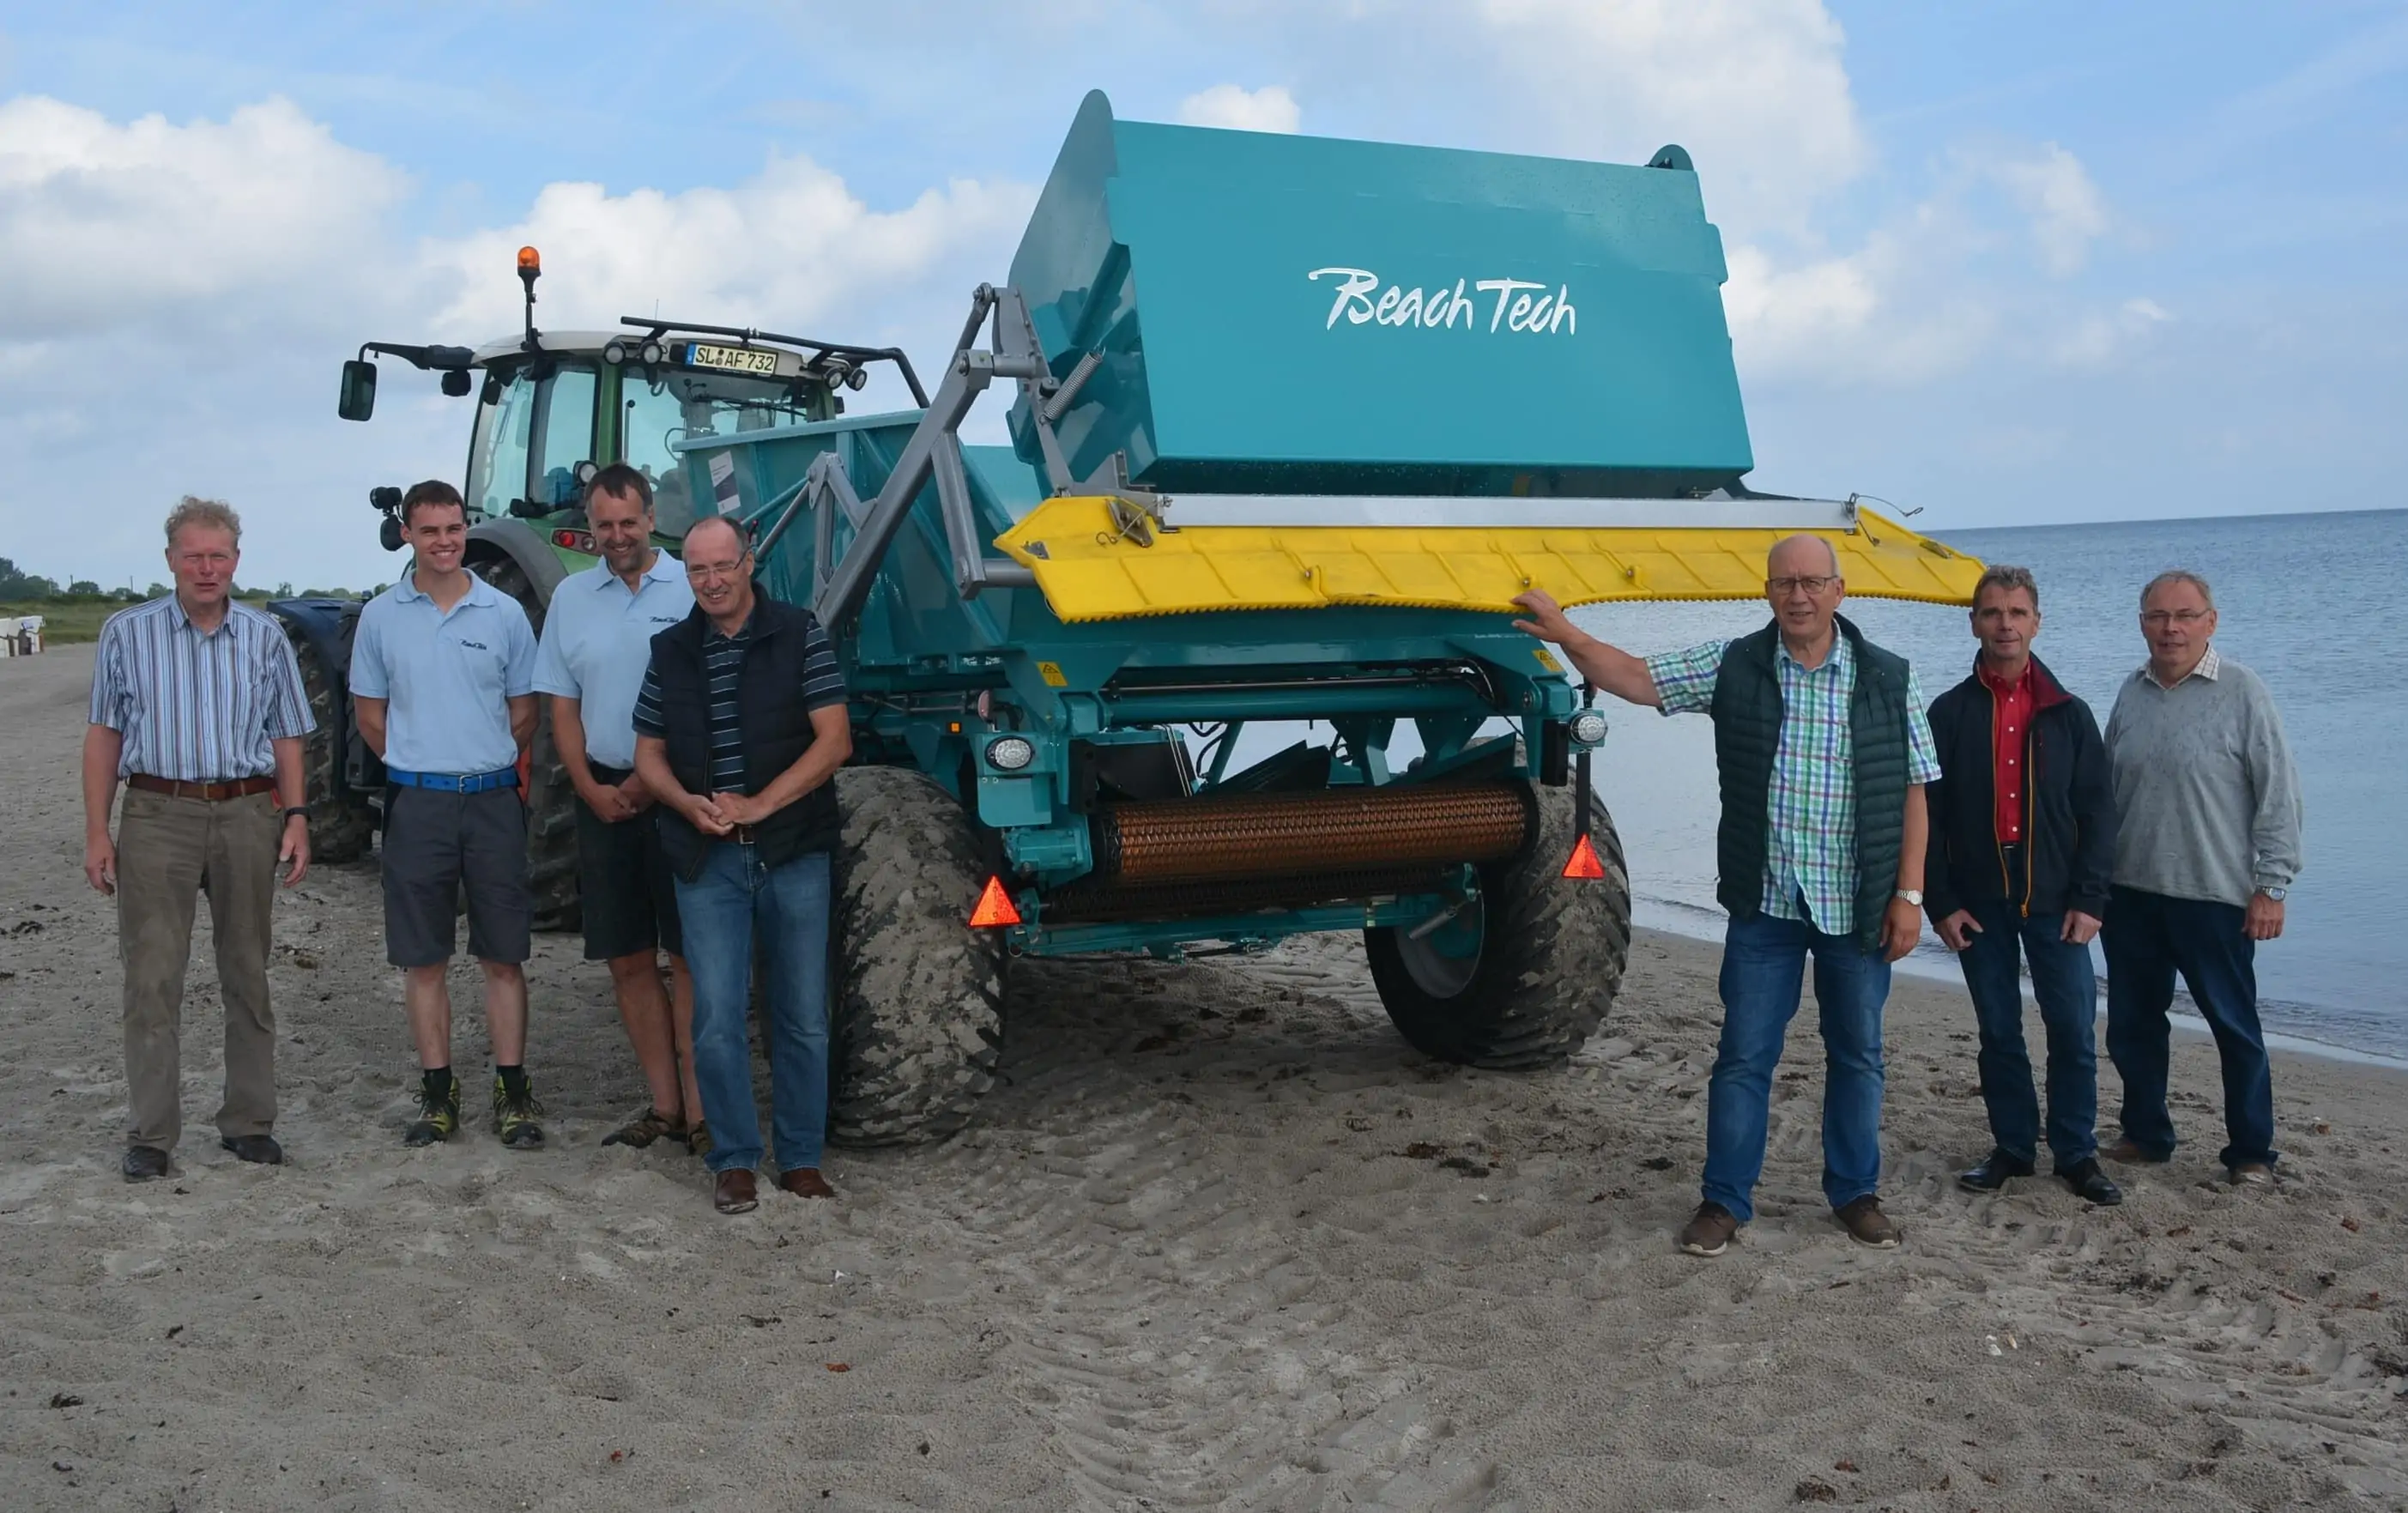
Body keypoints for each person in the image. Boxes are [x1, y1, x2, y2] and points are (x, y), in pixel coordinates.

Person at [1512, 535, 1937, 1256]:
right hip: (1764, 902)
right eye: (1783, 583)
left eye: (1811, 582)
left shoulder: (1888, 677)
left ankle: (1856, 1194)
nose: (1797, 596)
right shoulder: (1733, 664)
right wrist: (1568, 635)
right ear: (1767, 592)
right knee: (1743, 1056)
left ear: (1839, 590)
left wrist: (1910, 894)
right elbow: (1639, 678)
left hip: (1857, 904)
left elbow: (1914, 788)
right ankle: (1724, 1201)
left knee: (1859, 1054)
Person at [82, 498, 315, 1181]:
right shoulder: (127, 633)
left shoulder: (266, 636)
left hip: (248, 813)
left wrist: (296, 815)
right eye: (194, 555)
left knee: (248, 971)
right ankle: (152, 1134)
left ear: (237, 560)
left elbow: (287, 734)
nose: (207, 568)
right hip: (159, 813)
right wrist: (98, 829)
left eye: (219, 555)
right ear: (170, 560)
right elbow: (103, 736)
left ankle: (249, 1122)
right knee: (152, 977)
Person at [633, 515, 851, 1215]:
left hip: (793, 851)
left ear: (748, 561)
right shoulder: (669, 650)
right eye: (698, 570)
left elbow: (835, 741)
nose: (712, 581)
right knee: (718, 1018)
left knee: (803, 1016)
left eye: (723, 565)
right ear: (685, 574)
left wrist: (761, 804)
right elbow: (648, 754)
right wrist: (687, 803)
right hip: (707, 859)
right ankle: (732, 1160)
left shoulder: (798, 632)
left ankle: (801, 1159)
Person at [349, 480, 545, 1149]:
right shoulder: (381, 617)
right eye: (430, 530)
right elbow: (370, 719)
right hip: (417, 802)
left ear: (468, 528)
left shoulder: (504, 613)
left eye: (455, 528)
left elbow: (525, 713)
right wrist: (424, 761)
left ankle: (513, 1092)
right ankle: (439, 1095)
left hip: (492, 800)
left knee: (504, 956)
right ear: (407, 533)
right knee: (423, 958)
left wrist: (478, 760)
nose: (444, 541)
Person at [1923, 566, 2122, 1205]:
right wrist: (1940, 900)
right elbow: (1927, 814)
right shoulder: (1948, 712)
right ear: (1975, 622)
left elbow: (2098, 813)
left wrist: (2092, 900)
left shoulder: (2069, 713)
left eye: (2016, 612)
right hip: (1978, 902)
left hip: (2057, 900)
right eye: (1991, 612)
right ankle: (2012, 1146)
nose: (2004, 624)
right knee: (1999, 1030)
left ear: (2037, 621)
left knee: (2072, 1029)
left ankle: (2076, 1152)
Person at [2101, 570, 2302, 1186]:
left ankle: (2250, 1152)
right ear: (2142, 624)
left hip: (2214, 897)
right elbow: (2107, 793)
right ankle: (2146, 1133)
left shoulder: (2244, 692)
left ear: (2210, 622)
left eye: (2185, 616)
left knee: (2234, 1026)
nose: (2171, 628)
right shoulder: (2130, 692)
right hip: (2131, 893)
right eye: (2158, 616)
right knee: (2133, 1024)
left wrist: (2272, 885)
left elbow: (2279, 797)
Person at [531, 464, 705, 1154]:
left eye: (627, 522)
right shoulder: (572, 597)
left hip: (679, 797)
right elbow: (562, 705)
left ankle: (701, 1112)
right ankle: (663, 1106)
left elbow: (701, 701)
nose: (616, 536)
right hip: (602, 799)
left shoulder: (690, 587)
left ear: (650, 514)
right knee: (628, 957)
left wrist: (648, 780)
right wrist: (588, 785)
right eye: (603, 525)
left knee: (689, 956)